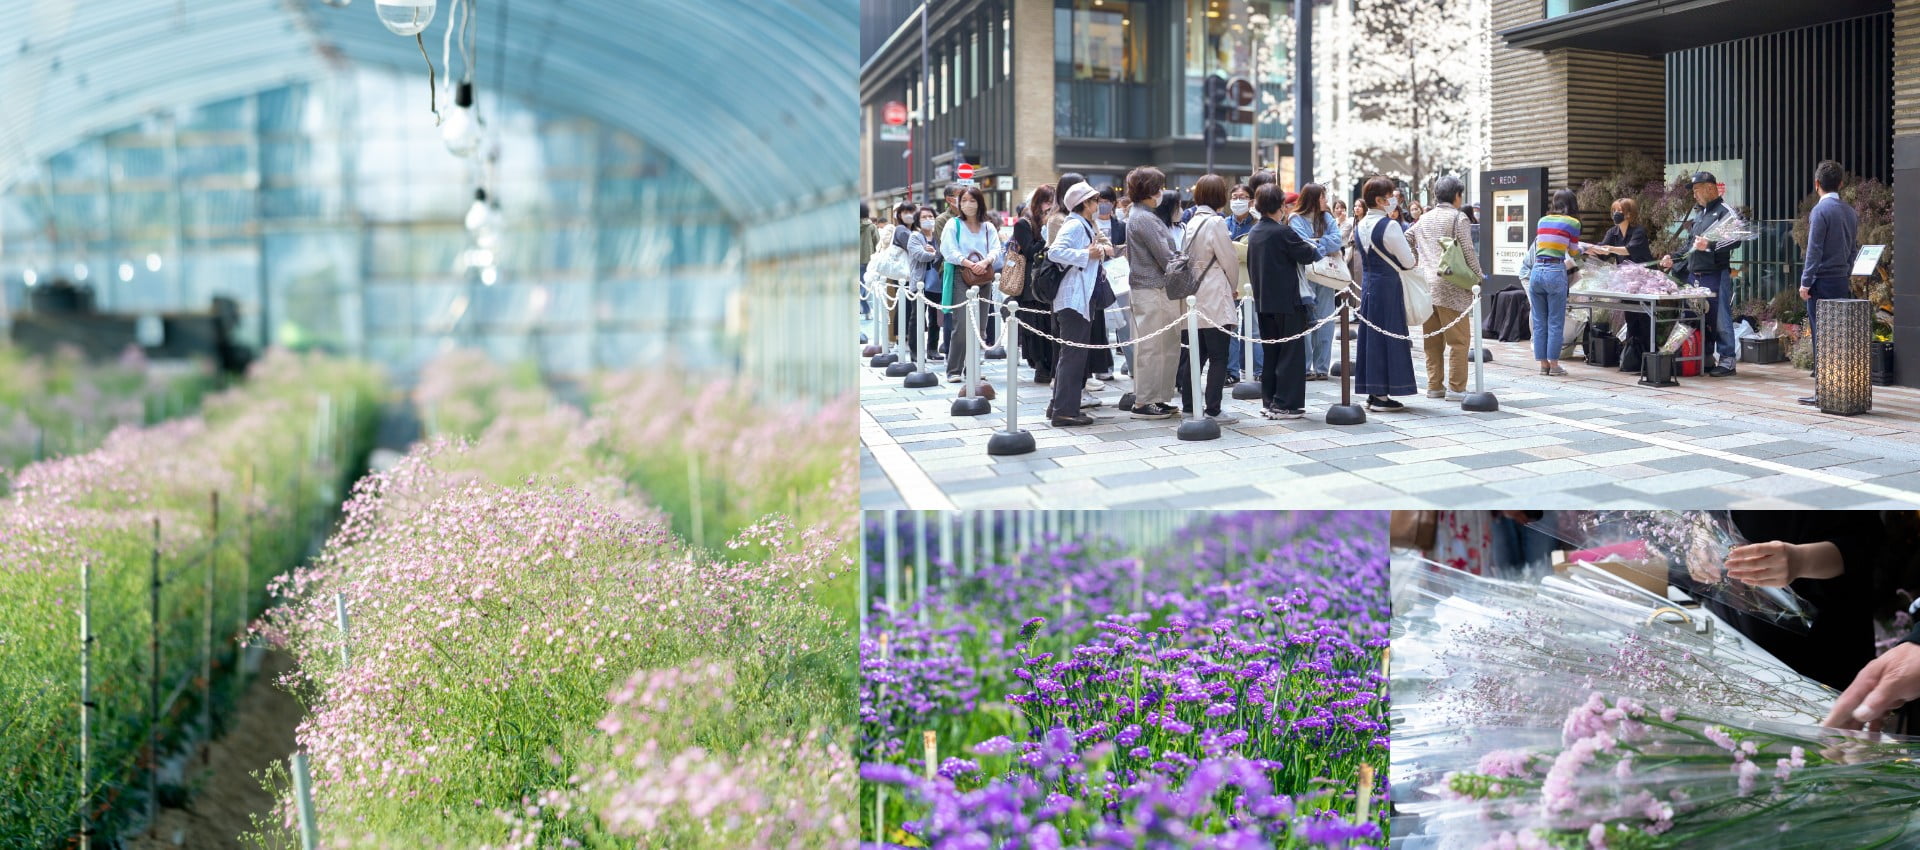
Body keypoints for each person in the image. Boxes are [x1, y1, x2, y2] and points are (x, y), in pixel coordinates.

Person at [1249, 183, 1325, 420]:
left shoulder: (1256, 231)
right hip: (1287, 301)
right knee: (1291, 352)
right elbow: (1310, 254)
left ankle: (1270, 400)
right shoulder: (1282, 232)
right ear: (1280, 205)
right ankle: (1286, 404)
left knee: (1271, 352)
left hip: (1263, 300)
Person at [1408, 176, 1484, 401]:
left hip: (1426, 283)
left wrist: (1416, 261)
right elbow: (1469, 251)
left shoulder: (1424, 218)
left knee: (1432, 339)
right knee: (1459, 341)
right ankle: (1456, 388)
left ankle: (1434, 386)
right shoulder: (1458, 218)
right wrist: (1478, 276)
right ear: (1457, 195)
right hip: (1450, 283)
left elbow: (1407, 237)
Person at [1173, 174, 1241, 425]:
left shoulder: (1191, 220)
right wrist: (1232, 287)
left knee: (1196, 354)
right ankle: (1213, 408)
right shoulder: (1216, 222)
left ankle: (1190, 405)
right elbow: (1229, 261)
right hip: (1213, 290)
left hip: (1193, 292)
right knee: (1219, 355)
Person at [1045, 181, 1112, 427]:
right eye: (1094, 199)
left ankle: (1058, 406)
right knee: (1073, 356)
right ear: (1084, 203)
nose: (1098, 203)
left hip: (1077, 299)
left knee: (1071, 355)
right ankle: (1064, 411)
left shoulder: (1083, 224)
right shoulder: (1074, 224)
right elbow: (1055, 252)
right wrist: (1086, 255)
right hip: (1072, 300)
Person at [1659, 172, 1739, 376]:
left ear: (1711, 188)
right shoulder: (1700, 214)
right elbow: (1689, 246)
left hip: (1715, 274)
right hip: (1694, 276)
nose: (1694, 194)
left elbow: (1737, 238)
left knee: (1719, 317)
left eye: (1696, 189)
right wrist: (1673, 258)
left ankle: (1728, 360)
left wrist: (1710, 244)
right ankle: (1703, 357)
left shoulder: (1725, 211)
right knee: (1692, 316)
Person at [1351, 176, 1419, 411]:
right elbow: (1408, 261)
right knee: (1390, 337)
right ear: (1379, 200)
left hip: (1369, 286)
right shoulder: (1390, 226)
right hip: (1389, 287)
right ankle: (1382, 395)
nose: (1394, 200)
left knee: (1371, 339)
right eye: (1390, 196)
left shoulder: (1360, 225)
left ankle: (1374, 391)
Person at [1797, 160, 1861, 405]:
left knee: (1821, 338)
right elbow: (1853, 250)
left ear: (1816, 184)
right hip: (1841, 281)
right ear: (1841, 183)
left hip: (1821, 283)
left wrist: (1805, 283)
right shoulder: (1850, 211)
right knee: (1839, 337)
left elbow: (1814, 251)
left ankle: (1822, 392)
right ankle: (1838, 389)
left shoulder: (1820, 211)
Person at [1123, 168, 1182, 420]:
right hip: (1153, 288)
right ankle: (1146, 400)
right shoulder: (1145, 218)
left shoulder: (1139, 214)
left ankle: (1156, 398)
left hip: (1151, 287)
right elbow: (1166, 255)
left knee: (1161, 345)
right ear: (1149, 190)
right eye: (1158, 187)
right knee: (1153, 346)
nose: (1161, 192)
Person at [939, 185, 1004, 381]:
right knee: (962, 324)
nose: (968, 204)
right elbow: (948, 250)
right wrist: (969, 264)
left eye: (972, 200)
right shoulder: (953, 224)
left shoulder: (988, 226)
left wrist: (984, 262)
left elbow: (996, 249)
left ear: (980, 203)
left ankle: (973, 366)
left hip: (984, 275)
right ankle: (954, 370)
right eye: (964, 200)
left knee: (981, 325)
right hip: (962, 274)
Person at [1586, 197, 1654, 365]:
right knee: (1630, 316)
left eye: (1619, 211)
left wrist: (1609, 248)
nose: (1615, 214)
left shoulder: (1638, 231)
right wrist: (1589, 249)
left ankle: (1648, 356)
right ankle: (1633, 355)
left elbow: (1628, 250)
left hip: (1644, 281)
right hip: (1626, 282)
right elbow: (1603, 250)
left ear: (1629, 214)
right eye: (1614, 211)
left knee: (1645, 318)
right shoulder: (1613, 232)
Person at [1290, 183, 1344, 382]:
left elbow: (1337, 240)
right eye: (1323, 197)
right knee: (1306, 320)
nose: (1326, 201)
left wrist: (1316, 242)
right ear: (1313, 199)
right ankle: (1305, 367)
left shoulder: (1326, 217)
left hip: (1327, 275)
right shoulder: (1295, 219)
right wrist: (1323, 243)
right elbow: (1302, 245)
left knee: (1326, 319)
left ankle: (1322, 366)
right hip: (1306, 274)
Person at [1529, 189, 1585, 377]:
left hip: (1536, 272)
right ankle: (1554, 365)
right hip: (1554, 271)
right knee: (1555, 321)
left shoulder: (1542, 221)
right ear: (1572, 204)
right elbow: (1574, 251)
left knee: (1539, 321)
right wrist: (1585, 249)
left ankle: (1543, 364)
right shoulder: (1573, 222)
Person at [1009, 184, 1058, 385]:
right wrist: (1046, 236)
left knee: (1050, 326)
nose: (1050, 206)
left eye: (1053, 201)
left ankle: (1051, 366)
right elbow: (1029, 252)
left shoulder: (1056, 220)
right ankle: (1040, 366)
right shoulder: (1024, 223)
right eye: (1047, 201)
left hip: (1049, 280)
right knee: (1034, 326)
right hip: (1030, 283)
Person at [903, 205, 943, 359]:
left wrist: (933, 252)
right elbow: (920, 256)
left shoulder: (939, 236)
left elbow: (946, 253)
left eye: (931, 216)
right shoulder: (915, 237)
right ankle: (915, 352)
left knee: (935, 318)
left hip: (937, 282)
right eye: (924, 217)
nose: (928, 220)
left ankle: (933, 349)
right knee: (917, 317)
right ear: (918, 221)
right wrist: (934, 254)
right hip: (920, 283)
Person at [860, 202, 876, 319]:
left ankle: (865, 309)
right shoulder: (871, 227)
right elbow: (878, 243)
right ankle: (866, 310)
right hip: (867, 260)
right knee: (863, 286)